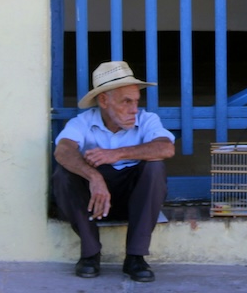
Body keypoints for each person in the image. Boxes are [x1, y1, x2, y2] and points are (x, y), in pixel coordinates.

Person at [52, 60, 175, 283]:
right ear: (103, 100)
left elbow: (166, 148)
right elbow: (63, 151)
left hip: (133, 201)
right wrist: (94, 177)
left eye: (136, 101)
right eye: (126, 101)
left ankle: (135, 257)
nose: (133, 109)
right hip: (94, 204)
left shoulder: (147, 120)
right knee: (63, 173)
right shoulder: (82, 123)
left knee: (155, 166)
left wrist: (116, 154)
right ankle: (90, 253)